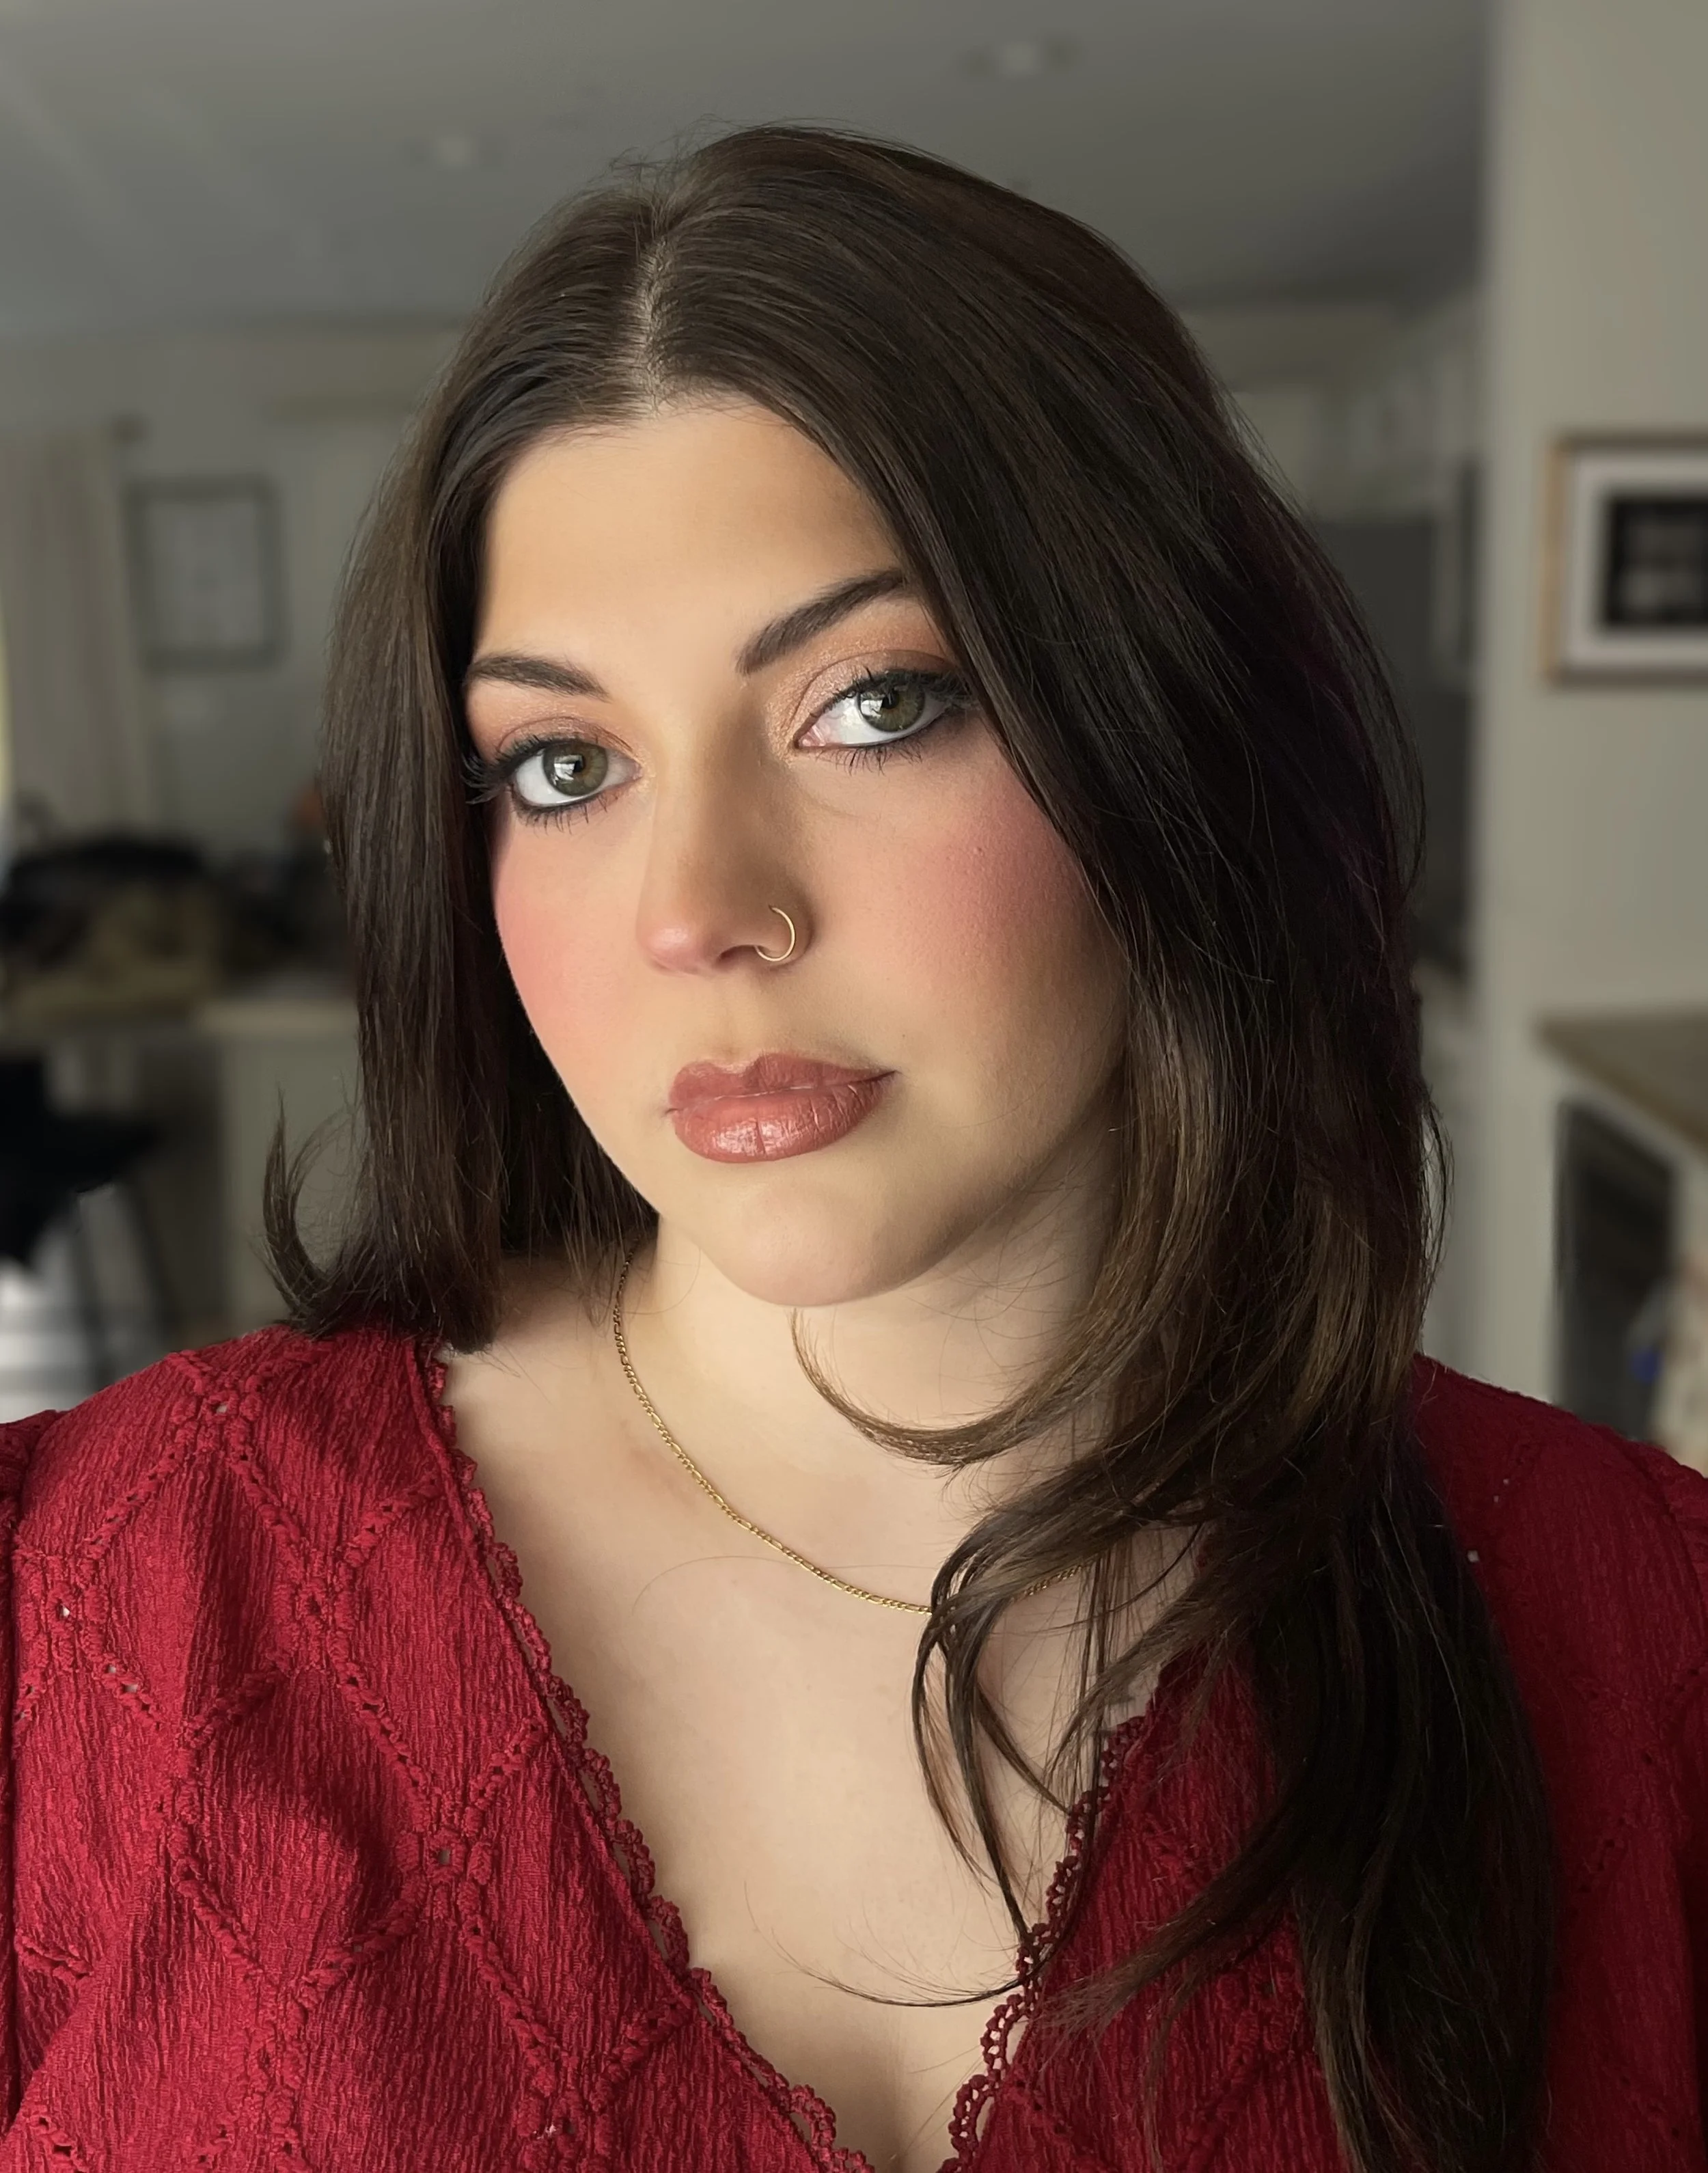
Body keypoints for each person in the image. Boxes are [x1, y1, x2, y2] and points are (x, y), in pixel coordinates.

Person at [1, 126, 1703, 2173]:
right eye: (563, 762)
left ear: (1164, 739)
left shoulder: (1638, 1630)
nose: (697, 907)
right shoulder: (100, 1593)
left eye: (876, 704)